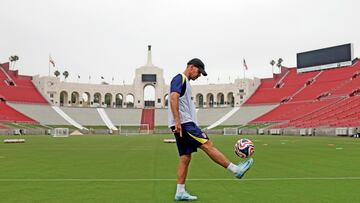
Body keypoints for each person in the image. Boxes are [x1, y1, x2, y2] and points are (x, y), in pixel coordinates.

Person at [168, 58, 253, 201]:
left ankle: (180, 191)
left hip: (183, 123)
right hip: (184, 123)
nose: (199, 75)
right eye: (198, 72)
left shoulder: (186, 83)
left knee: (185, 157)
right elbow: (173, 97)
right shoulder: (179, 78)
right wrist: (178, 121)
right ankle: (236, 170)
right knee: (207, 144)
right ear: (191, 67)